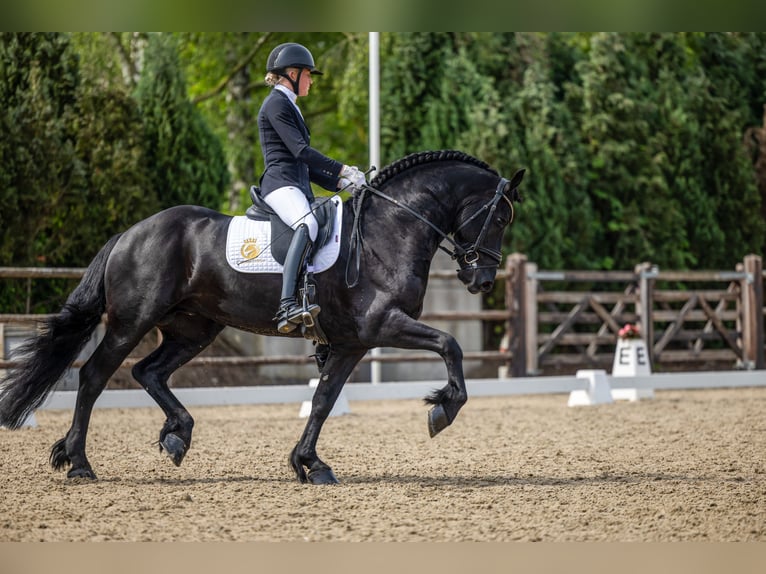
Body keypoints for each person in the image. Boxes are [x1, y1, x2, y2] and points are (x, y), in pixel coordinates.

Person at [257, 42, 366, 334]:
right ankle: (287, 305)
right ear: (292, 73)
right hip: (280, 183)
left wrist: (340, 183)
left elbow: (305, 165)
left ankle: (311, 294)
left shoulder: (289, 104)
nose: (311, 81)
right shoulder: (276, 103)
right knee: (308, 223)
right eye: (308, 74)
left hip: (295, 182)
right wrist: (342, 168)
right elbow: (301, 152)